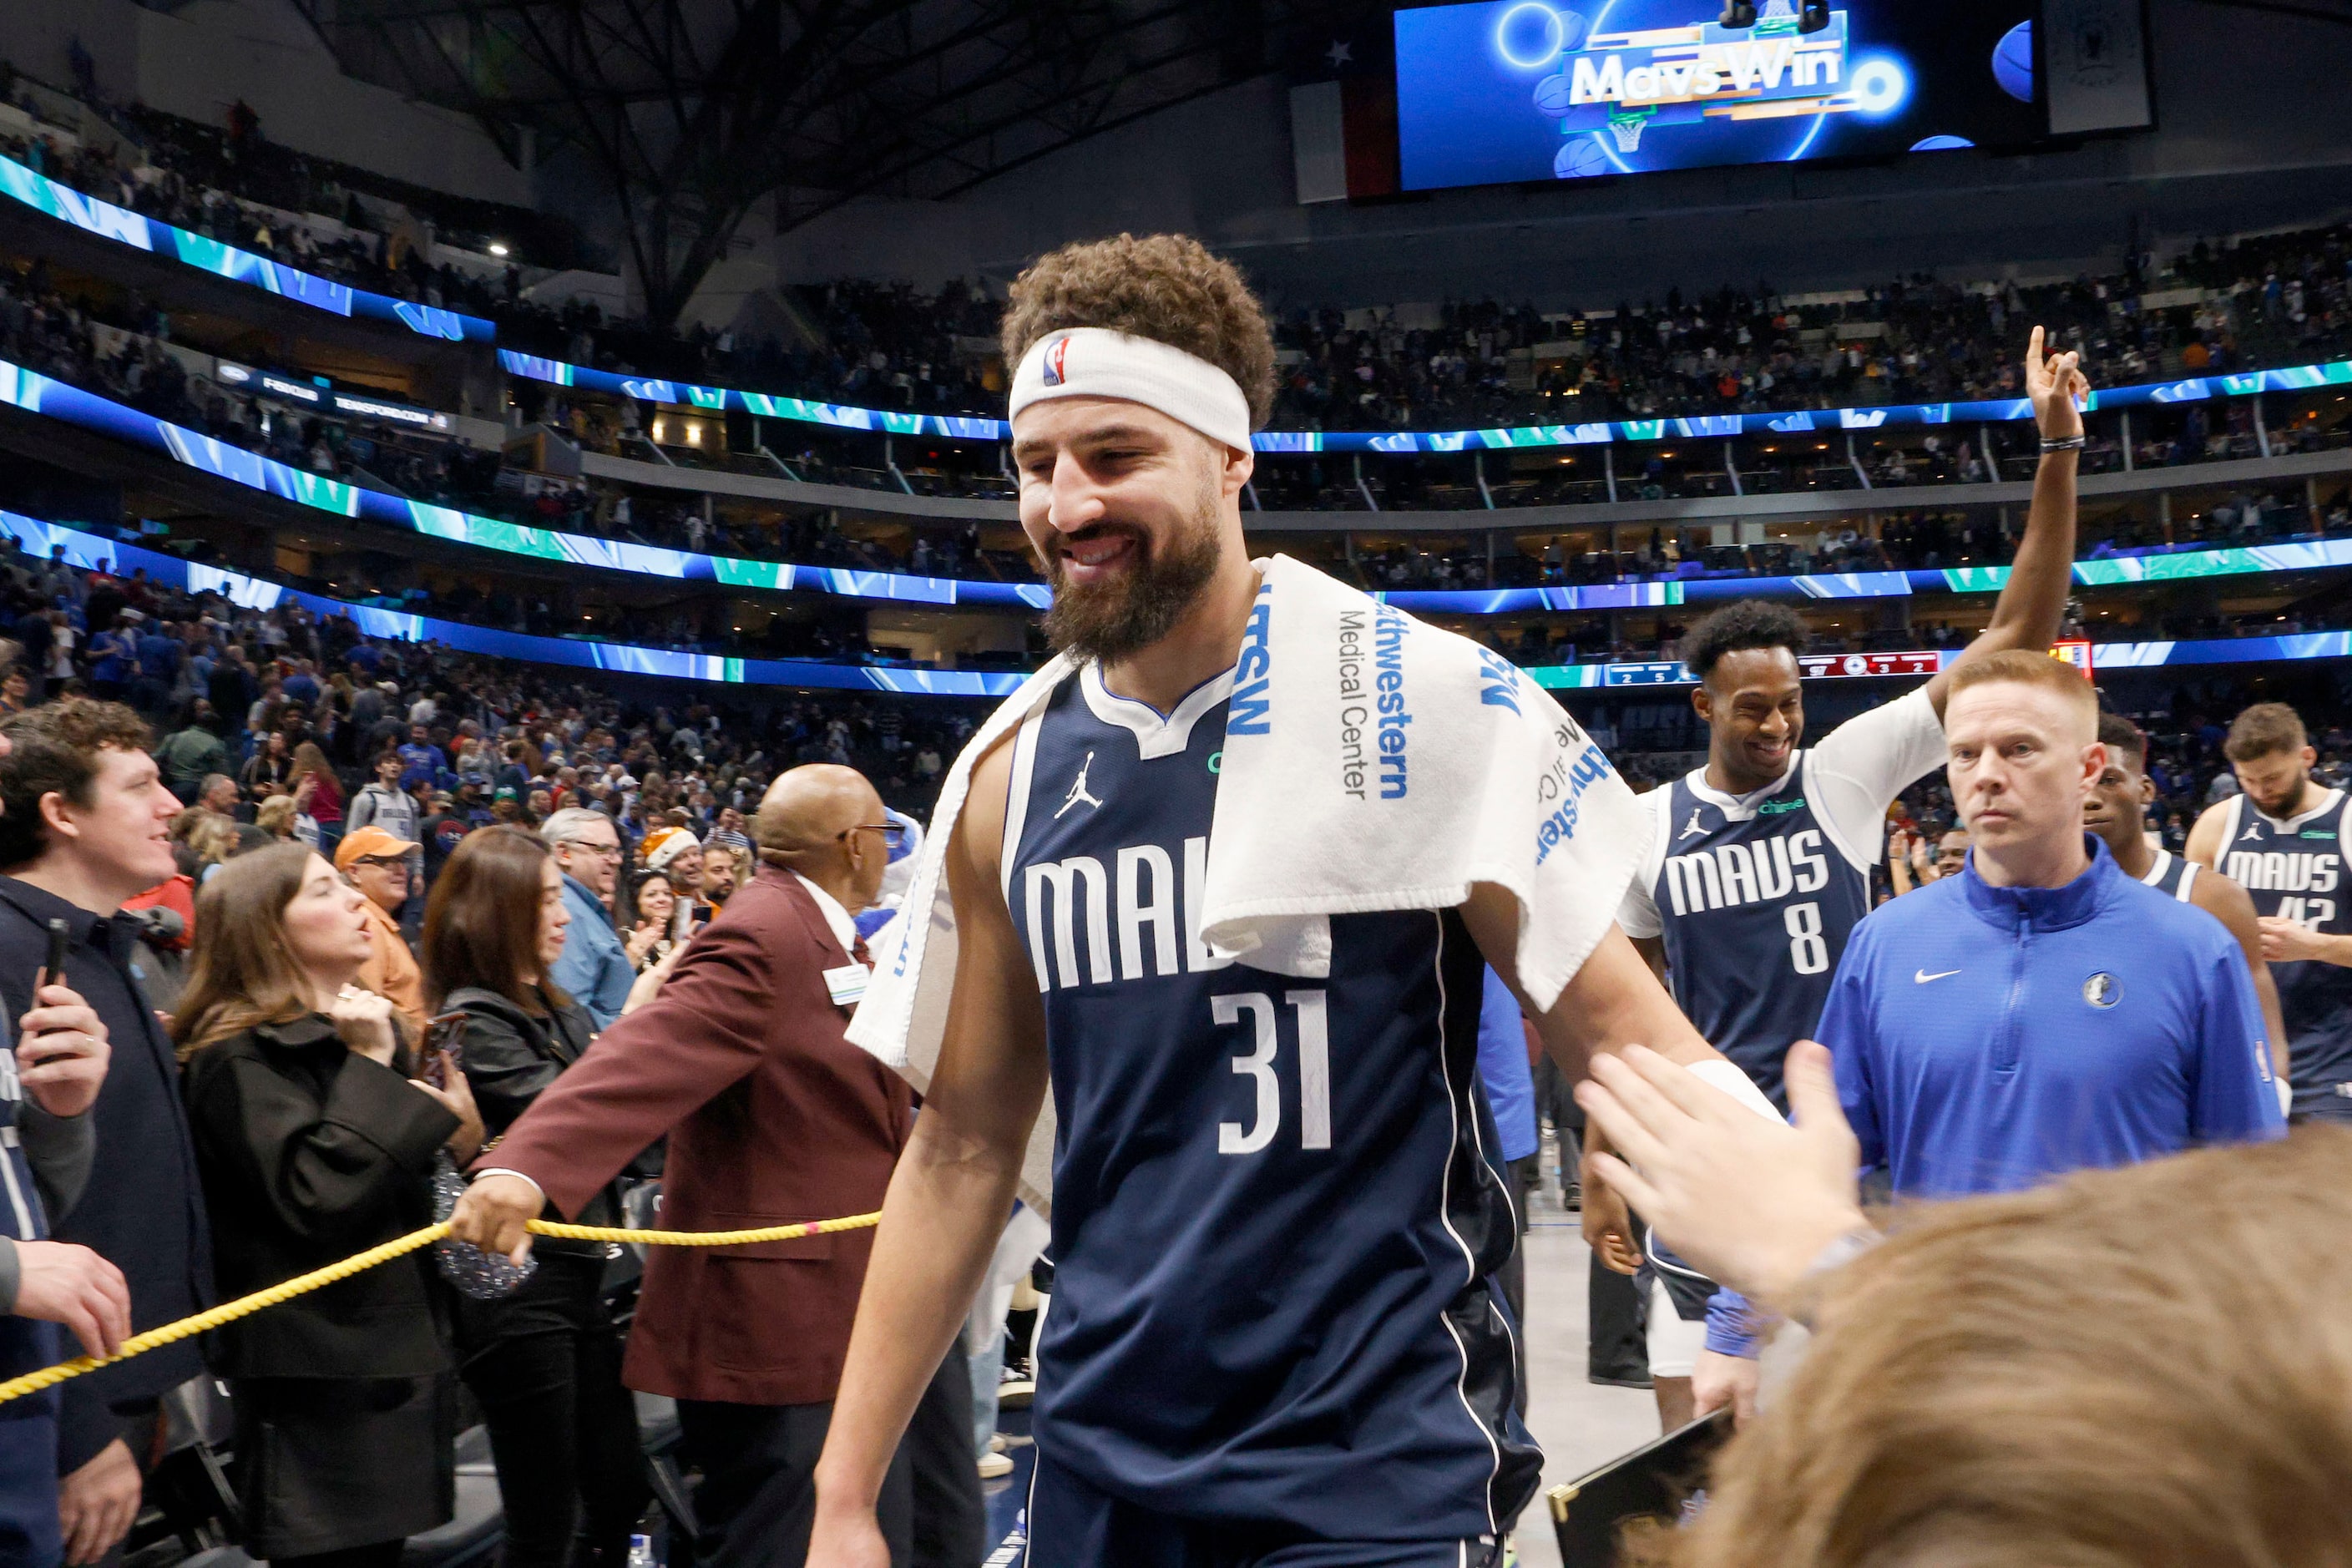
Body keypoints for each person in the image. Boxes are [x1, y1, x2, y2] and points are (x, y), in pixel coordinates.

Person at [802, 235, 1734, 1568]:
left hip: (1375, 1467)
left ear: (1232, 456)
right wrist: (844, 1493)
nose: (1067, 506)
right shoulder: (1005, 779)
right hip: (1102, 1453)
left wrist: (1820, 1281)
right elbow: (960, 1147)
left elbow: (1635, 1050)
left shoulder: (1420, 702)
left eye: (1116, 456)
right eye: (1036, 464)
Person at [1606, 328, 2086, 1425]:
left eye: (1789, 702)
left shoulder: (1841, 776)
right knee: (1697, 1446)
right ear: (1703, 710)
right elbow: (1629, 1014)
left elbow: (2018, 632)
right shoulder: (1644, 828)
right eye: (1751, 708)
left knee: (1877, 1438)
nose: (1778, 724)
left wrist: (2057, 451)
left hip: (1851, 1161)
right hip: (1722, 1167)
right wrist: (1608, 1149)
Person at [450, 766, 981, 1566]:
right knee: (790, 1542)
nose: (888, 850)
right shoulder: (763, 933)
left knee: (930, 1523)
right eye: (884, 833)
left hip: (867, 1296)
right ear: (852, 846)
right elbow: (644, 1053)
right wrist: (523, 1168)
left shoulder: (826, 930)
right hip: (787, 1319)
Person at [1571, 1043, 2352, 1568]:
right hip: (1932, 1335)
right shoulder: (1892, 945)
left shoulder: (2196, 931)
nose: (1985, 782)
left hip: (1965, 1370)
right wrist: (1770, 1298)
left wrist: (1820, 1264)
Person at [1818, 651, 2282, 1201]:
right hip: (1940, 1287)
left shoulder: (2194, 950)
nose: (1986, 775)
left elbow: (2248, 1184)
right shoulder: (1885, 943)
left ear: (2086, 770)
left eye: (2019, 749)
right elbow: (1828, 1164)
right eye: (1965, 753)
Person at [176, 844, 482, 1568]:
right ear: (269, 929)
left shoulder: (346, 1040)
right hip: (320, 1388)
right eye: (324, 891)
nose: (354, 903)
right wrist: (376, 1067)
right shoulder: (237, 1058)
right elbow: (319, 1196)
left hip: (392, 1366)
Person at [0, 699, 210, 1566]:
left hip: (125, 1375)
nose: (172, 805)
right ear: (62, 811)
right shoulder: (12, 950)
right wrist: (86, 1425)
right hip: (64, 1405)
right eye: (142, 784)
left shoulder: (104, 945)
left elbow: (65, 1171)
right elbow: (33, 1226)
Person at [423, 827, 649, 1568]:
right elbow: (580, 1122)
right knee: (544, 1513)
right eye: (547, 900)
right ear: (497, 911)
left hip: (578, 1281)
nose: (564, 917)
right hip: (517, 1293)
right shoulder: (471, 1022)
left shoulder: (563, 1010)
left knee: (617, 1486)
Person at [2085, 712, 2289, 1083]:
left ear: (2146, 790)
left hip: (2189, 1123)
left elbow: (2264, 1037)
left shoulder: (2215, 898)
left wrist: (2271, 1105)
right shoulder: (2035, 899)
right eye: (2076, 786)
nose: (2091, 799)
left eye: (2109, 780)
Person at [2187, 702, 2352, 1120]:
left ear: (2307, 758)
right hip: (2243, 1045)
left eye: (2274, 778)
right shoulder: (2217, 825)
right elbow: (2185, 938)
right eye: (2249, 781)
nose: (2262, 791)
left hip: (2333, 1047)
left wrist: (2316, 945)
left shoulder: (2346, 821)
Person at [540, 809, 634, 1029]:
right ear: (564, 852)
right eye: (604, 850)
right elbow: (569, 1015)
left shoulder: (581, 905)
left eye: (617, 850)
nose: (617, 860)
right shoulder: (566, 909)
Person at [333, 827, 426, 1039]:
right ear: (354, 872)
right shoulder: (366, 923)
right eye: (387, 862)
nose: (402, 870)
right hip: (396, 1061)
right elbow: (366, 1020)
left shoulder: (378, 922)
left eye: (402, 861)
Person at [347, 752, 420, 846]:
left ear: (403, 769)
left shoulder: (411, 802)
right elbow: (353, 835)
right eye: (388, 762)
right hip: (375, 857)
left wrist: (417, 860)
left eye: (398, 763)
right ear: (379, 768)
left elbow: (416, 839)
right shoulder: (366, 800)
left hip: (403, 858)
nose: (394, 765)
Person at [622, 870, 683, 971]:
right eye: (651, 895)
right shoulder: (625, 938)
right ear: (636, 901)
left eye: (667, 893)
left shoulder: (680, 940)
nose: (662, 899)